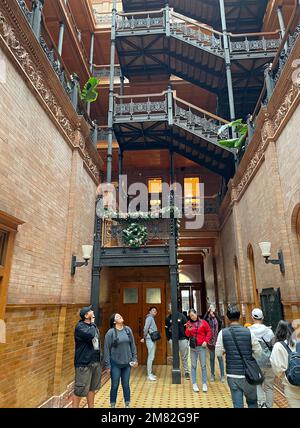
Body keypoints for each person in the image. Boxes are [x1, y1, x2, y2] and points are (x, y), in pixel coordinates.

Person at [215, 305, 262, 408]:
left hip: (233, 374)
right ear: (240, 317)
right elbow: (258, 352)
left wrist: (226, 351)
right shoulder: (249, 331)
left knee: (237, 405)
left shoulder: (222, 333)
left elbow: (218, 353)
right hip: (249, 374)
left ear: (227, 318)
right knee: (253, 402)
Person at [104, 313, 138, 408]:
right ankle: (112, 404)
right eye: (118, 317)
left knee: (126, 384)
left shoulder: (128, 330)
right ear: (114, 321)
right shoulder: (110, 333)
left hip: (127, 363)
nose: (120, 317)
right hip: (115, 364)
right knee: (115, 385)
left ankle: (127, 404)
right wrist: (107, 365)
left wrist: (134, 358)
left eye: (120, 315)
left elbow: (133, 345)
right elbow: (106, 349)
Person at [72, 305, 101, 408]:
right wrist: (92, 323)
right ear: (86, 315)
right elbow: (91, 335)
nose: (92, 311)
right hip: (84, 364)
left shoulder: (93, 326)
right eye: (90, 311)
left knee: (92, 388)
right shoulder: (80, 327)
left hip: (94, 362)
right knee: (80, 390)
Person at [270, 320, 300, 408]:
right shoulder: (298, 342)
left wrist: (284, 376)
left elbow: (277, 369)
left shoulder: (278, 346)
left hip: (291, 386)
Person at [249, 308, 275, 408]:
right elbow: (273, 346)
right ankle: (268, 406)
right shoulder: (269, 331)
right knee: (269, 386)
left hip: (256, 362)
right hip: (269, 362)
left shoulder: (249, 331)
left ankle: (260, 404)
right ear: (262, 318)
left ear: (252, 317)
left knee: (257, 384)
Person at [185, 308, 212, 393]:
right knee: (193, 366)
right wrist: (188, 330)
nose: (192, 317)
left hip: (202, 347)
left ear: (196, 314)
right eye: (190, 316)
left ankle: (204, 384)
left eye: (193, 315)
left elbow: (209, 332)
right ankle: (194, 384)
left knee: (203, 366)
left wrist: (206, 341)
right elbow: (187, 334)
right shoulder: (188, 323)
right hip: (193, 347)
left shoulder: (203, 322)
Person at [165, 303, 190, 379]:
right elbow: (166, 329)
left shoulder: (182, 316)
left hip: (182, 339)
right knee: (175, 357)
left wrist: (186, 338)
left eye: (172, 307)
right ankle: (177, 370)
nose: (170, 309)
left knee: (184, 356)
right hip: (173, 340)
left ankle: (186, 372)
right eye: (170, 308)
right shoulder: (168, 318)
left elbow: (187, 327)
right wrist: (169, 339)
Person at [203, 305, 225, 383]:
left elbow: (220, 321)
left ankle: (222, 375)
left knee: (220, 358)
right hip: (210, 342)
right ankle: (212, 374)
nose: (212, 312)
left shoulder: (218, 320)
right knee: (212, 358)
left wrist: (214, 313)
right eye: (211, 311)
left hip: (218, 342)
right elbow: (203, 320)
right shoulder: (208, 319)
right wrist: (208, 311)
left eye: (213, 311)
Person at [140, 306, 159, 381]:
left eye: (156, 311)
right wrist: (144, 337)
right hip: (150, 339)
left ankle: (150, 373)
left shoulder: (151, 318)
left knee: (152, 356)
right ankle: (149, 374)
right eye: (153, 310)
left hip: (152, 339)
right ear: (149, 311)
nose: (155, 311)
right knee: (151, 356)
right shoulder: (149, 318)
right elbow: (145, 328)